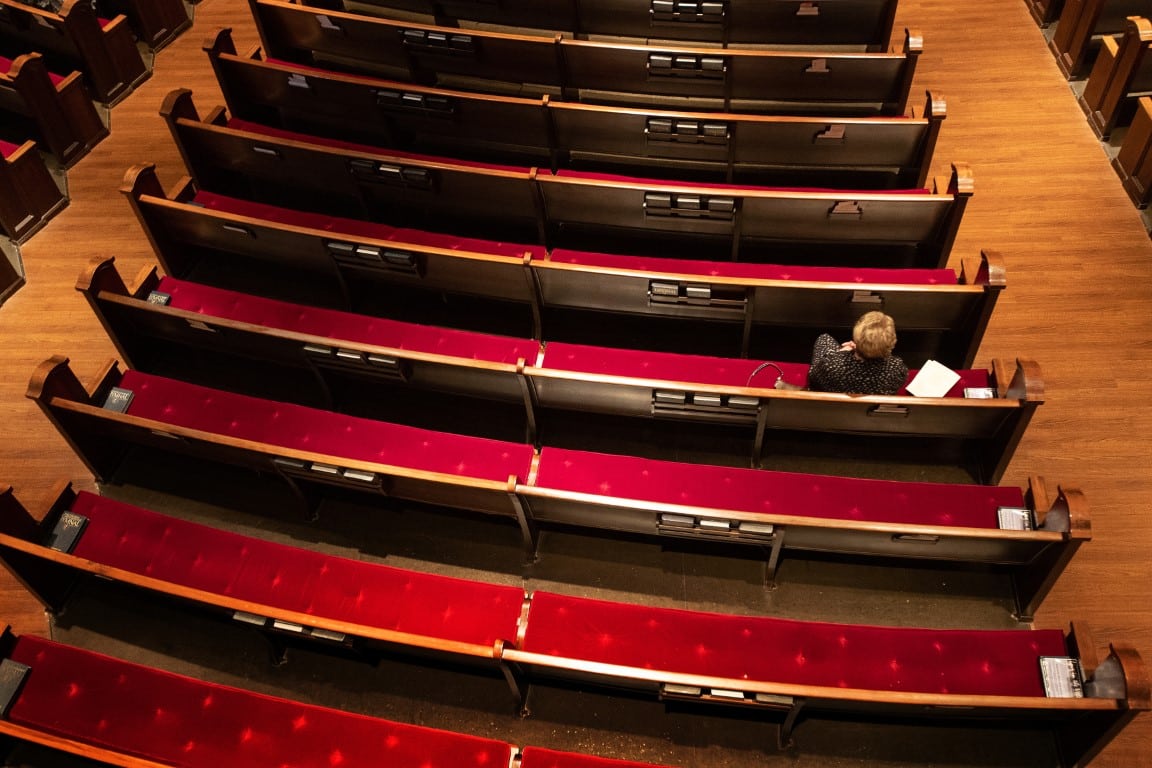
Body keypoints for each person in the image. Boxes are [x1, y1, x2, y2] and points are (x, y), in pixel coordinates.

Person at [808, 311, 908, 395]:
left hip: (833, 406)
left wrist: (841, 352)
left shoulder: (831, 364)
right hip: (871, 412)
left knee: (824, 338)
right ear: (892, 342)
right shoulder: (897, 368)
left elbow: (813, 377)